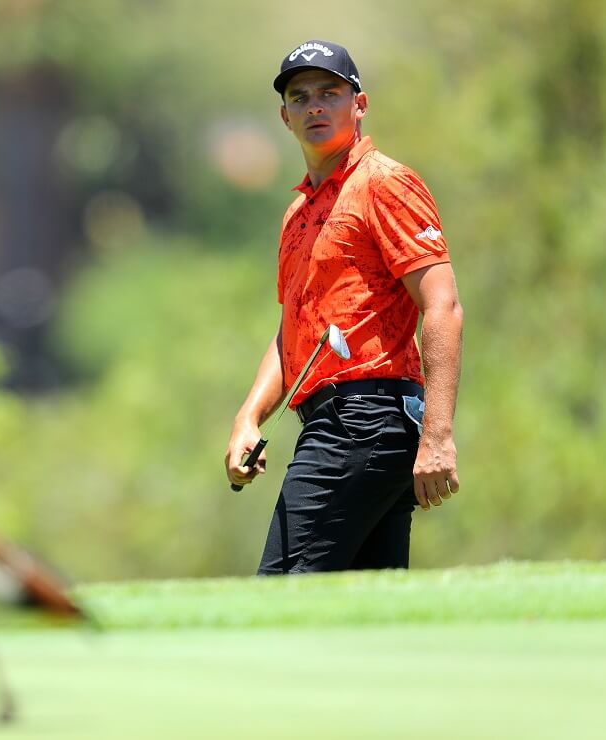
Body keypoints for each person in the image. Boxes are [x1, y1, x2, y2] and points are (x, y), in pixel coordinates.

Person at [224, 40, 463, 574]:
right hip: (341, 424)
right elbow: (293, 332)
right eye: (300, 96)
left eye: (329, 92)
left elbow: (442, 305)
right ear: (284, 117)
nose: (314, 105)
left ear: (360, 104)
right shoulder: (297, 213)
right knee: (363, 616)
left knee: (281, 595)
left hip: (365, 421)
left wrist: (439, 437)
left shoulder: (384, 183)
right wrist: (248, 417)